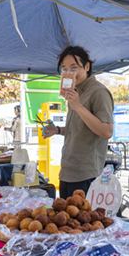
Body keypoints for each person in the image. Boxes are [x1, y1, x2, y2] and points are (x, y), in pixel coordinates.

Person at [42, 46, 114, 199]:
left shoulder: (98, 92)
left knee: (82, 221)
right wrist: (57, 130)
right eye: (64, 69)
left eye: (73, 68)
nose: (69, 73)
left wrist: (78, 106)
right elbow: (78, 126)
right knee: (65, 220)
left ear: (87, 66)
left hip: (85, 174)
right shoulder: (74, 92)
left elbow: (107, 132)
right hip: (67, 171)